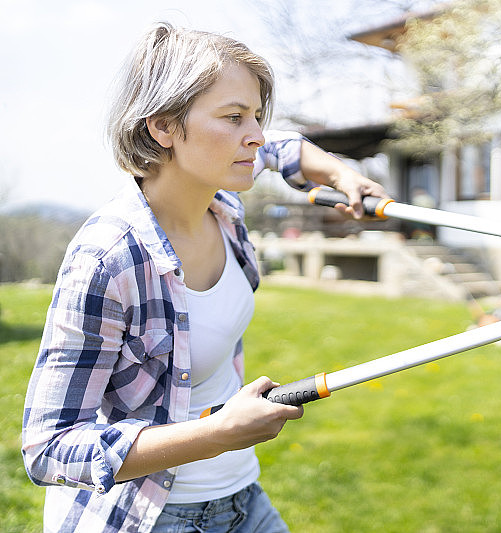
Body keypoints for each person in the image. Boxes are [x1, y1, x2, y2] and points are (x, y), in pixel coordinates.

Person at [21, 22, 387, 533]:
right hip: (148, 518)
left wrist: (338, 173)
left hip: (241, 496)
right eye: (234, 116)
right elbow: (49, 449)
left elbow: (279, 147)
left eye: (256, 115)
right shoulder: (108, 259)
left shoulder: (221, 198)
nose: (255, 134)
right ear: (164, 126)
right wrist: (216, 433)